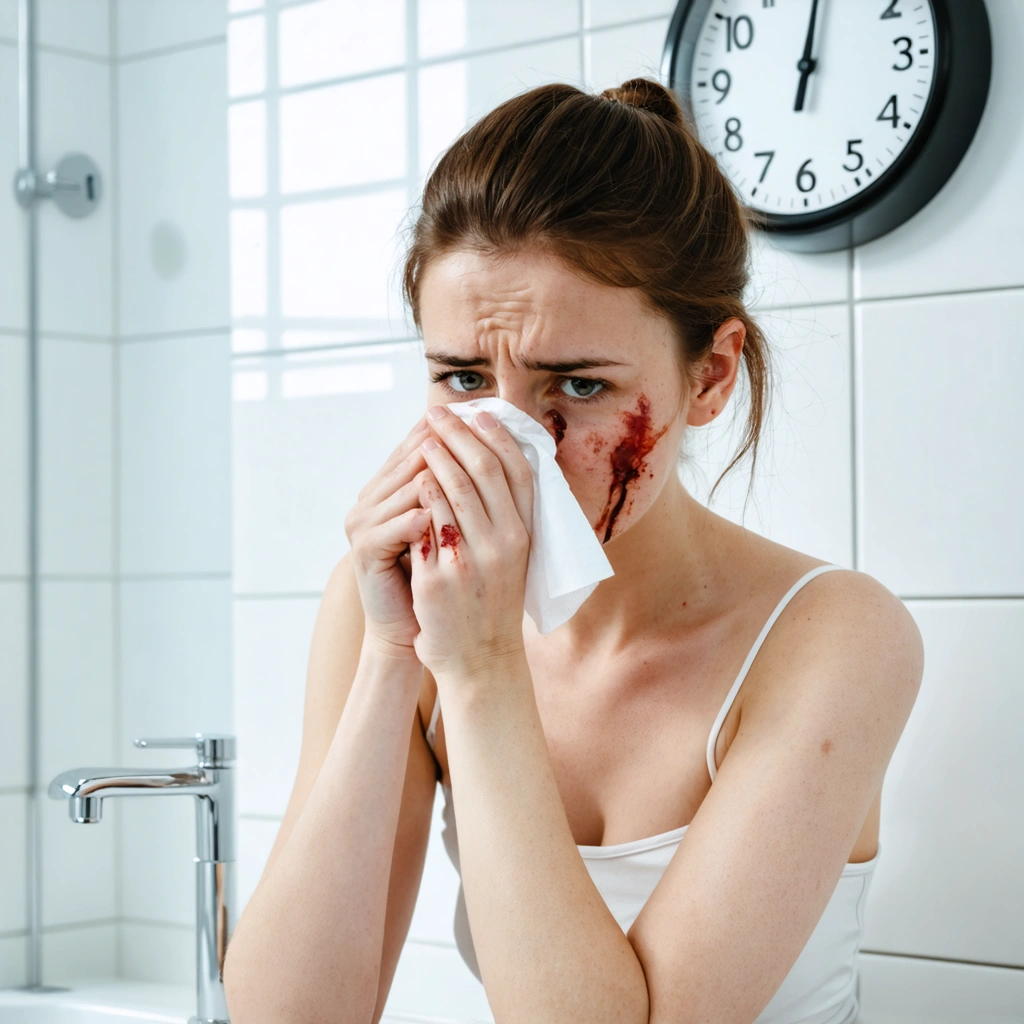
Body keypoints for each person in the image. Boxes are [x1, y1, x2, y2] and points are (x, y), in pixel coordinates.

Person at [223, 78, 924, 1024]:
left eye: (580, 386)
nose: (512, 442)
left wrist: (481, 670)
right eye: (464, 377)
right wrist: (396, 660)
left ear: (709, 377)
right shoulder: (390, 609)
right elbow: (290, 1016)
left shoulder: (836, 636)